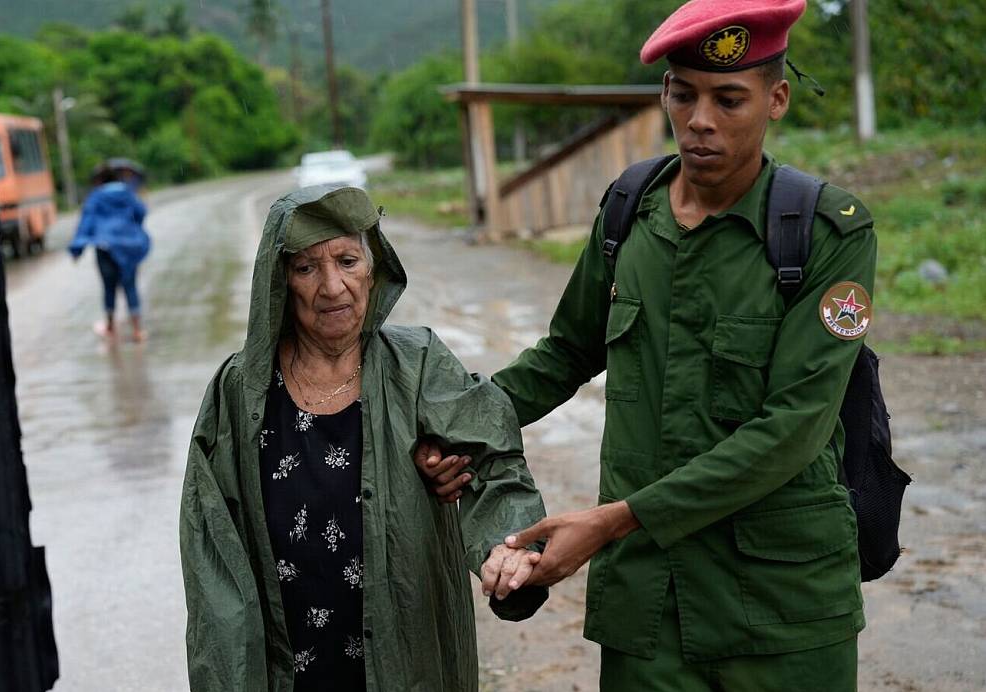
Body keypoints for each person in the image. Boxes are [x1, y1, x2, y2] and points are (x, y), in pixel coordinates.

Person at [417, 0, 875, 689]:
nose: (700, 120)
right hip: (648, 607)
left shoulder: (827, 232)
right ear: (664, 92)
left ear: (776, 99)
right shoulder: (630, 210)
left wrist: (614, 522)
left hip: (785, 610)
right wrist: (453, 430)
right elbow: (566, 352)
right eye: (683, 95)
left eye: (728, 100)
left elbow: (794, 428)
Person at [180, 185, 548, 691]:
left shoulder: (417, 364)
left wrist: (506, 549)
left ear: (372, 273)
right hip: (286, 667)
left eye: (348, 261)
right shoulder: (240, 391)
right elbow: (211, 550)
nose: (332, 286)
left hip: (405, 657)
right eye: (306, 268)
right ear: (279, 282)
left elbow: (492, 460)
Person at [68, 161, 151, 342]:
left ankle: (110, 327)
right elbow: (141, 212)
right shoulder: (128, 193)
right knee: (130, 286)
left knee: (109, 287)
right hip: (128, 247)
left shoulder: (96, 197)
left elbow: (86, 223)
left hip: (105, 247)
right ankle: (137, 330)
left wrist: (77, 249)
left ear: (99, 180)